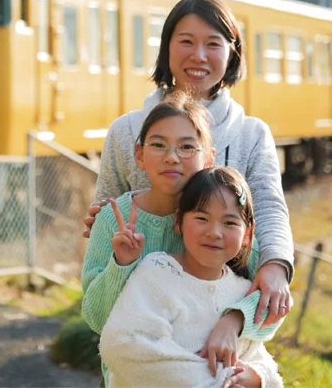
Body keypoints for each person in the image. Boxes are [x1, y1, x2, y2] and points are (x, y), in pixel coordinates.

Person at [83, 0, 294, 331]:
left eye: (213, 44)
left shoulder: (252, 134)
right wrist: (103, 224)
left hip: (221, 324)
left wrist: (276, 265)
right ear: (166, 47)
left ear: (232, 52)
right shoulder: (126, 131)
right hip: (141, 322)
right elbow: (109, 208)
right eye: (185, 41)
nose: (199, 55)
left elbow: (268, 208)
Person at [82, 93, 284, 388]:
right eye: (158, 145)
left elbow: (270, 303)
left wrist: (234, 321)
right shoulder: (113, 220)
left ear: (209, 157)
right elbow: (97, 319)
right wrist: (121, 265)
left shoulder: (223, 227)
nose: (172, 157)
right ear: (139, 154)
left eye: (187, 147)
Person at [99, 166, 283, 388]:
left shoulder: (243, 293)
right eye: (202, 218)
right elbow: (124, 344)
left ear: (247, 234)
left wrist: (256, 378)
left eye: (229, 222)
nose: (214, 232)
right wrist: (217, 382)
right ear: (178, 222)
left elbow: (262, 363)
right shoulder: (158, 273)